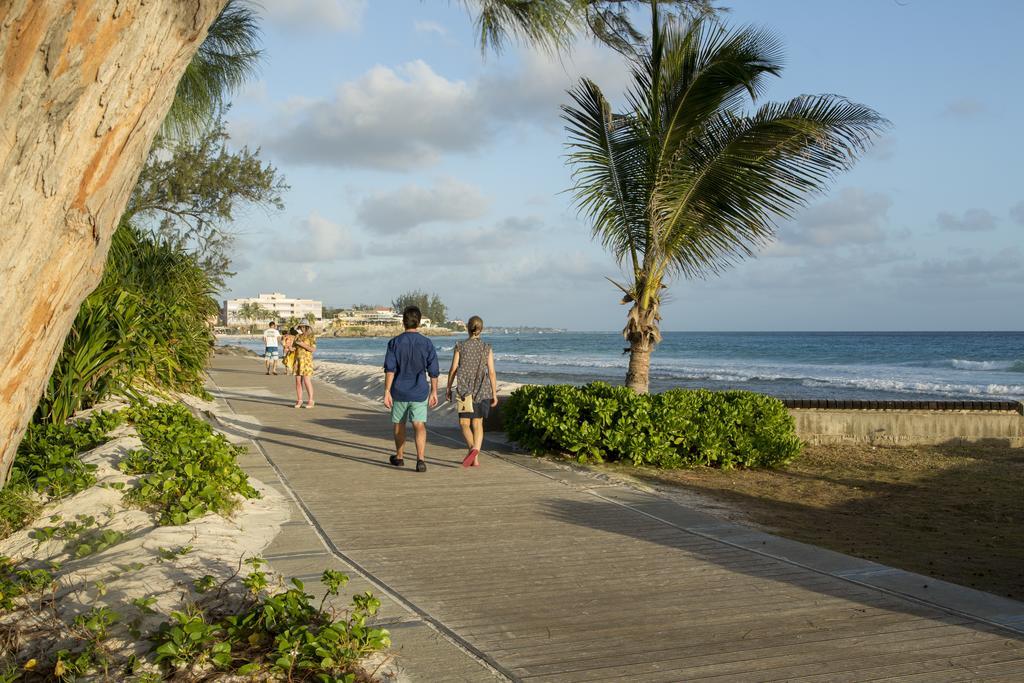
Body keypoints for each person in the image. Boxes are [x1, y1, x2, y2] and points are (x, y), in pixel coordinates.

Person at [383, 306, 439, 472]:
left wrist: (386, 391)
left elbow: (390, 369)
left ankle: (399, 457)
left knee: (399, 424)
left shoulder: (394, 342)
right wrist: (434, 391)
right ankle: (420, 459)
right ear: (419, 322)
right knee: (419, 424)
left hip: (399, 390)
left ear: (403, 322)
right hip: (419, 391)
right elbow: (433, 371)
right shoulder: (427, 343)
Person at [446, 315, 498, 467]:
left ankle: (472, 449)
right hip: (482, 390)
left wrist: (449, 387)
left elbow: (453, 369)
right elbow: (492, 372)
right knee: (478, 424)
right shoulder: (486, 348)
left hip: (464, 390)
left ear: (467, 328)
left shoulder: (460, 346)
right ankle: (475, 454)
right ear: (481, 329)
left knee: (463, 423)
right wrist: (494, 393)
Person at [292, 323, 316, 408]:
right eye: (300, 327)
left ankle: (311, 400)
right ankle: (299, 400)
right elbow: (294, 347)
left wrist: (302, 344)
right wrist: (291, 348)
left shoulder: (311, 336)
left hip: (306, 361)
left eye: (303, 327)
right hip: (298, 360)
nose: (301, 328)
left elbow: (313, 349)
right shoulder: (297, 336)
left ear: (307, 327)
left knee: (306, 381)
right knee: (298, 381)